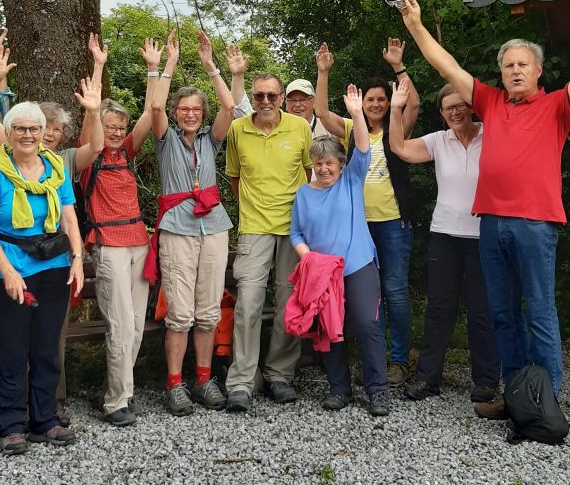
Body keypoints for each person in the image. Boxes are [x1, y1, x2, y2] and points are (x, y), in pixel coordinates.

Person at [398, 0, 570, 396]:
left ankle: (546, 398)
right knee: (502, 313)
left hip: (535, 224)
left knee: (539, 311)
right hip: (491, 223)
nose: (516, 70)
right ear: (501, 74)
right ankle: (517, 394)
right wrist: (415, 25)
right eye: (509, 65)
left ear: (538, 71)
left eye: (523, 64)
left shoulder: (558, 105)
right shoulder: (490, 101)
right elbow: (445, 66)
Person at [0, 77, 87, 454]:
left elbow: (70, 219)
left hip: (53, 266)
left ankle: (45, 420)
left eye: (34, 129)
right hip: (8, 270)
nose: (28, 135)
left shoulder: (56, 169)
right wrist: (8, 271)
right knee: (11, 348)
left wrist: (77, 259)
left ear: (44, 133)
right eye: (20, 128)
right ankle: (9, 423)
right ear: (8, 133)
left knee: (45, 347)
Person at [388, 79, 501, 416]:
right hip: (444, 234)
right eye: (448, 107)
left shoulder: (492, 134)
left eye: (460, 105)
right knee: (439, 308)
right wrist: (396, 108)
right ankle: (428, 377)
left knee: (483, 310)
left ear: (472, 106)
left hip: (484, 234)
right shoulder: (438, 141)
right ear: (441, 114)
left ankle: (485, 380)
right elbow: (399, 148)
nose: (455, 112)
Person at [314, 39, 420, 386]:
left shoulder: (397, 126)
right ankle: (371, 358)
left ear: (389, 103)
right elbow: (322, 113)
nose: (375, 104)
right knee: (364, 294)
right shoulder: (351, 128)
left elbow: (415, 102)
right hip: (356, 227)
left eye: (381, 99)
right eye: (370, 99)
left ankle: (399, 360)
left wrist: (398, 66)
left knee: (394, 290)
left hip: (392, 222)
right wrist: (324, 72)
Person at [149, 30, 238, 415]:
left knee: (208, 311)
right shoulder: (165, 138)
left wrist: (211, 65)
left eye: (195, 109)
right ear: (176, 112)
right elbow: (153, 108)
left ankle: (203, 379)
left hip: (214, 227)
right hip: (178, 228)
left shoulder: (210, 140)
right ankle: (174, 384)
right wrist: (167, 63)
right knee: (181, 313)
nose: (190, 113)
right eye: (183, 108)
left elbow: (230, 108)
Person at [75, 35, 161, 427]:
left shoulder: (126, 151)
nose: (115, 131)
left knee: (137, 325)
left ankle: (120, 390)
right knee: (120, 324)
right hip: (107, 243)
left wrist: (154, 69)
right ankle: (115, 401)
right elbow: (90, 127)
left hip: (138, 243)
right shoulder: (89, 157)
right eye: (110, 125)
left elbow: (151, 111)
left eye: (119, 126)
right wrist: (98, 66)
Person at [290, 84, 391, 415]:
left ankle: (377, 390)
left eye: (329, 162)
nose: (324, 169)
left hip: (358, 264)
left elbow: (363, 149)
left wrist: (357, 113)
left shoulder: (351, 179)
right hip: (323, 272)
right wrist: (310, 257)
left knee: (365, 322)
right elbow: (296, 233)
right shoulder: (304, 195)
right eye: (318, 164)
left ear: (339, 163)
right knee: (330, 330)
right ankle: (339, 388)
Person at [224, 73, 312, 412]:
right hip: (254, 226)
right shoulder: (237, 130)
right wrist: (251, 207)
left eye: (271, 96)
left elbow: (307, 174)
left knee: (289, 302)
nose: (265, 102)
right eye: (259, 96)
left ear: (281, 97)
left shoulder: (299, 128)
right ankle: (242, 381)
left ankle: (279, 374)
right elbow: (234, 176)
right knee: (248, 303)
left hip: (293, 229)